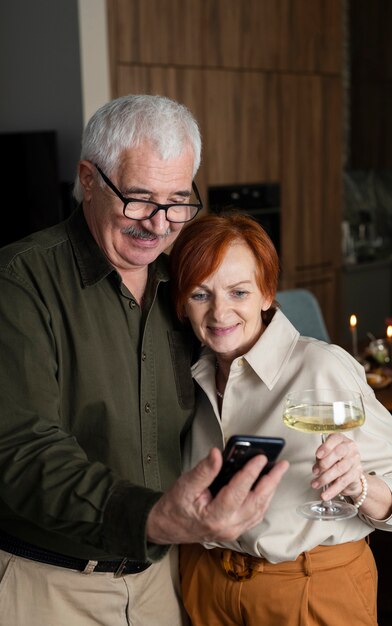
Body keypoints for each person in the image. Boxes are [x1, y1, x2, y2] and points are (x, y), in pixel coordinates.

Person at [0, 96, 288, 626]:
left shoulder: (185, 283)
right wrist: (154, 517)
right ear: (88, 179)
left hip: (163, 581)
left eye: (178, 200)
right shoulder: (20, 283)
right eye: (138, 199)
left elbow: (260, 360)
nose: (159, 225)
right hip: (49, 588)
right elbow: (20, 452)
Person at [169, 212, 392, 626]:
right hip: (206, 582)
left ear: (267, 293)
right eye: (200, 294)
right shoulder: (190, 374)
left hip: (308, 589)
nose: (219, 312)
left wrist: (359, 486)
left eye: (239, 292)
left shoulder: (322, 367)